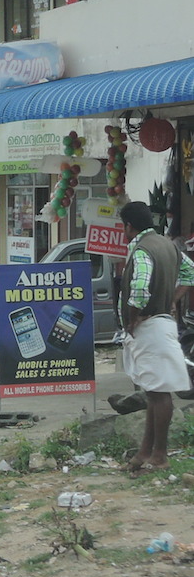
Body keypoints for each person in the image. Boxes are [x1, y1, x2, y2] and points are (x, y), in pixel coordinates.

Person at [118, 201, 194, 473]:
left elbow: (139, 288)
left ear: (129, 225)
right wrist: (172, 301)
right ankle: (144, 453)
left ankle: (160, 455)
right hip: (162, 323)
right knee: (153, 393)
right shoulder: (167, 244)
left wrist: (132, 318)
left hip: (150, 327)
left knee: (159, 395)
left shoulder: (142, 250)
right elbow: (190, 272)